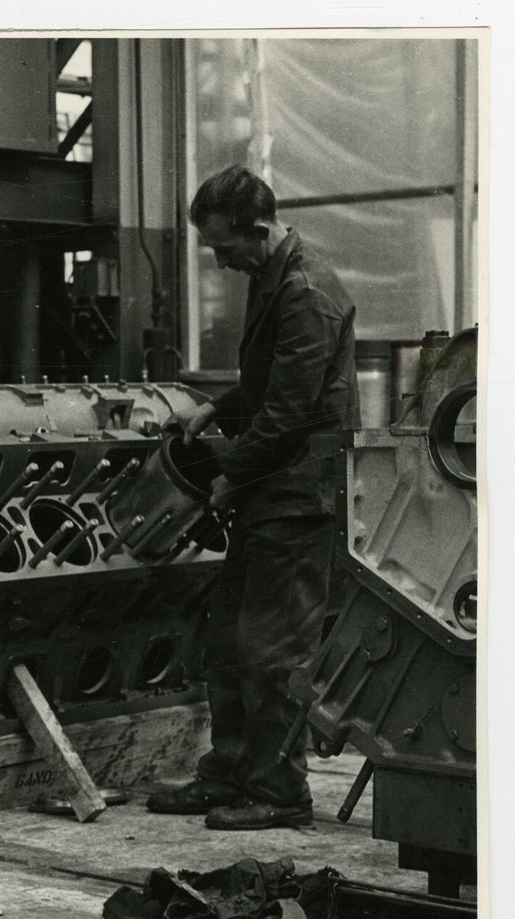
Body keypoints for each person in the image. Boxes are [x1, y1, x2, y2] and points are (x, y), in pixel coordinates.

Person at [150, 166, 354, 831]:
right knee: (230, 640)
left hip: (296, 495)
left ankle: (278, 792)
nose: (219, 261)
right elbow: (265, 385)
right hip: (270, 489)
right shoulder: (273, 276)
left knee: (272, 650)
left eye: (223, 246)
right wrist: (213, 409)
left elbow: (289, 414)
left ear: (259, 230)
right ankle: (231, 772)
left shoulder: (306, 292)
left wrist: (227, 476)